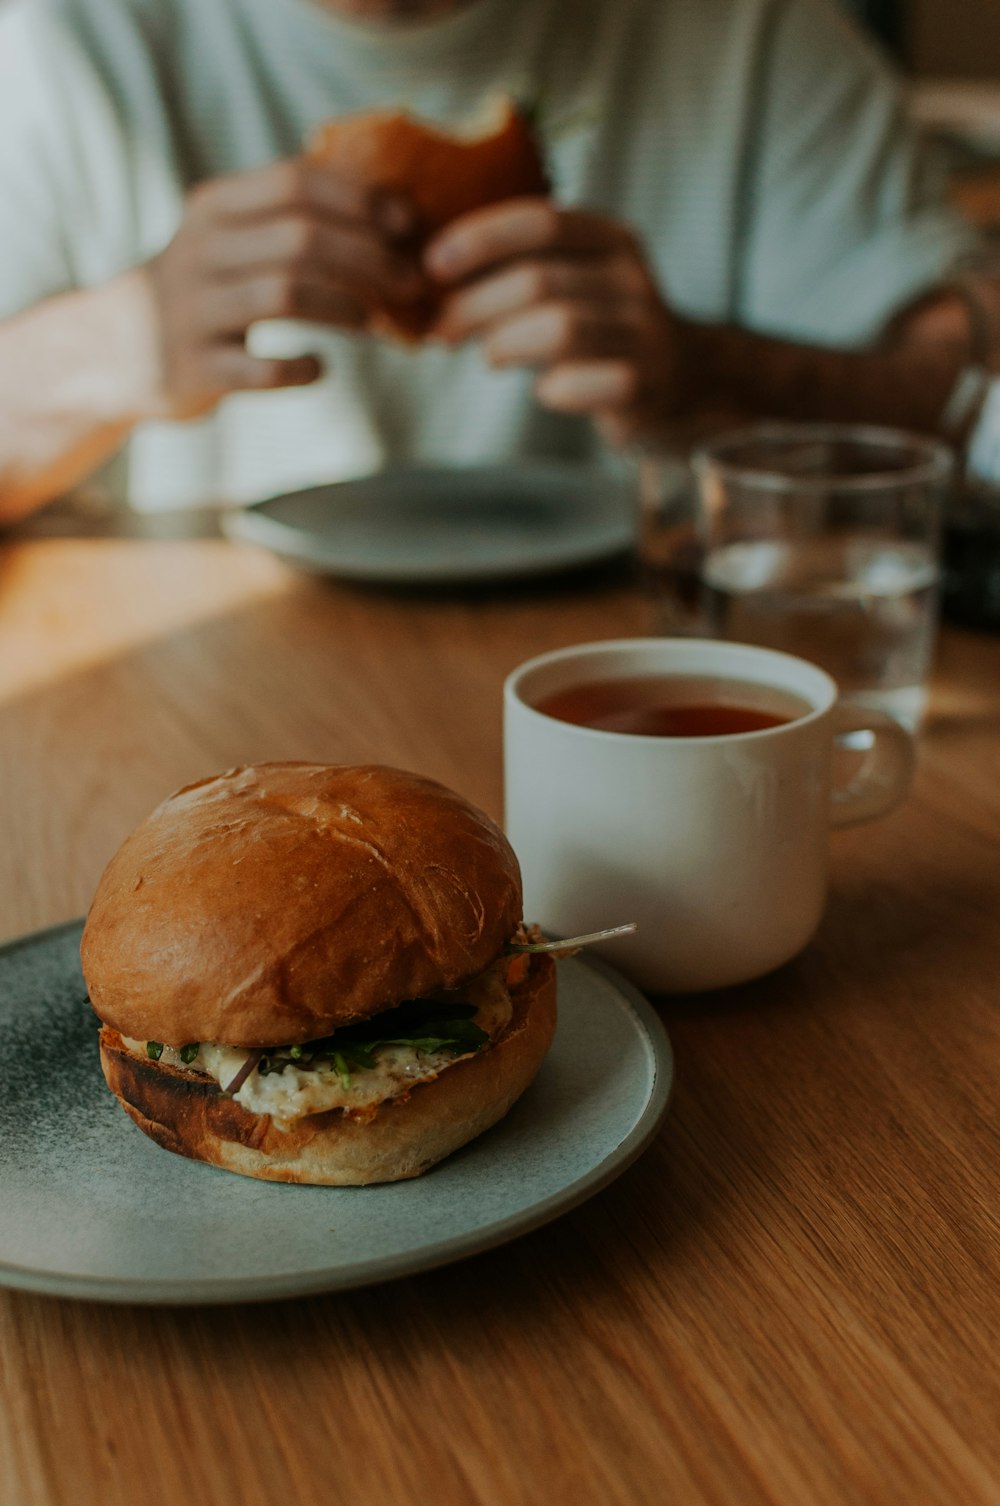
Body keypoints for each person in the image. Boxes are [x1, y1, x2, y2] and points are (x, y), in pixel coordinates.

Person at [0, 0, 993, 522]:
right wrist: (119, 342)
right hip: (185, 716)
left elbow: (963, 401)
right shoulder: (71, 47)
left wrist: (709, 373)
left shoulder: (751, 34)